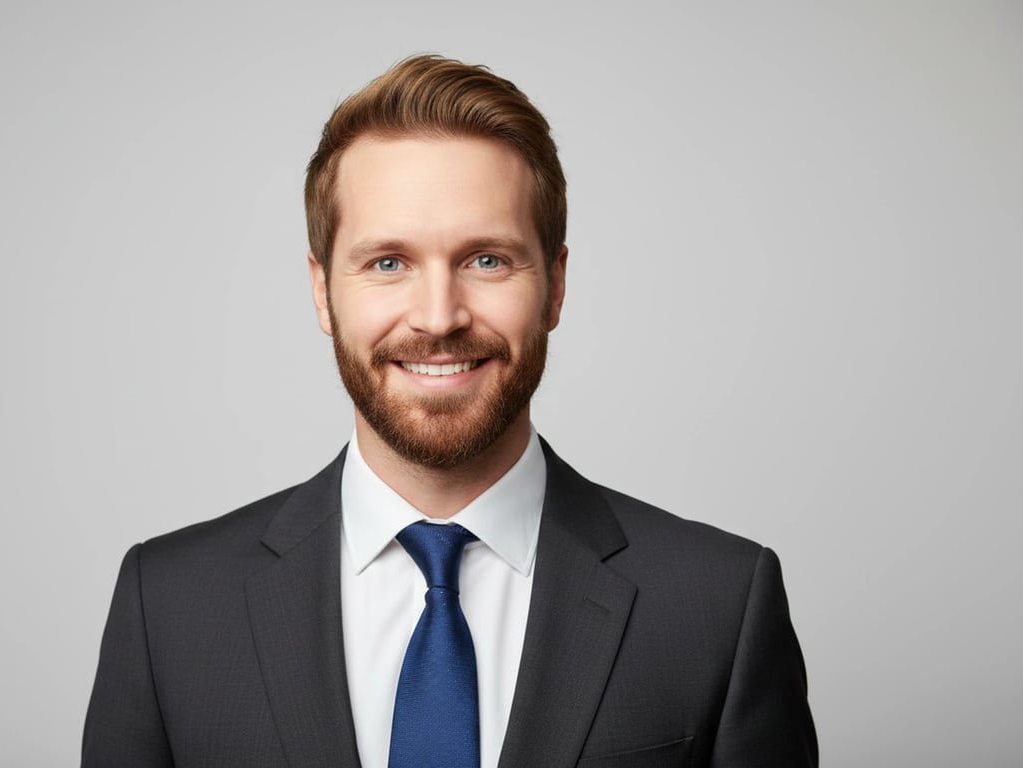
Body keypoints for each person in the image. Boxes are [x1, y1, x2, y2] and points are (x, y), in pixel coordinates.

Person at [82, 54, 817, 768]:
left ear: (555, 286)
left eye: (486, 260)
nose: (438, 317)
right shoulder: (169, 606)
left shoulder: (720, 605)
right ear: (321, 291)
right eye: (388, 263)